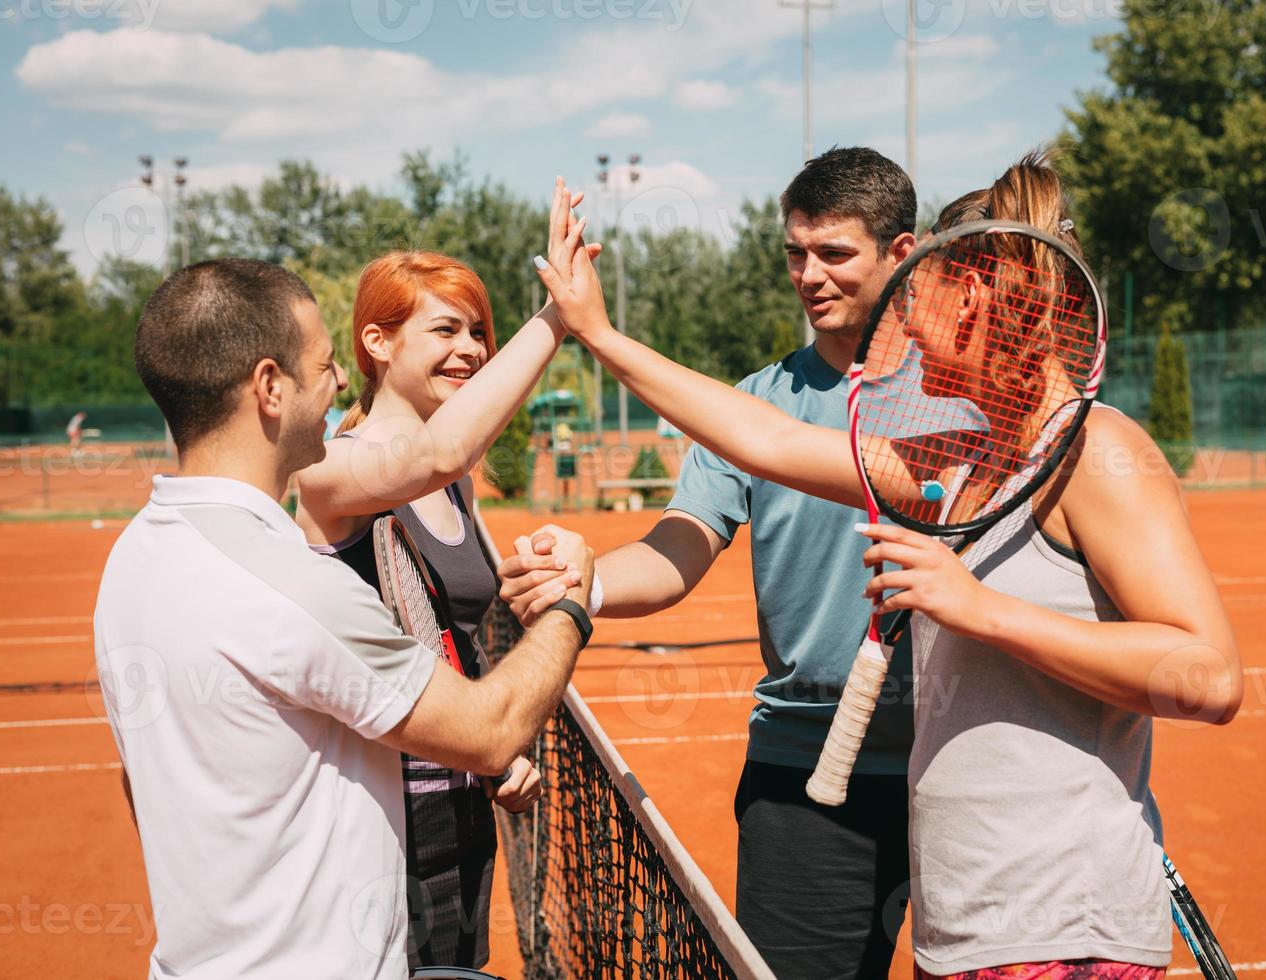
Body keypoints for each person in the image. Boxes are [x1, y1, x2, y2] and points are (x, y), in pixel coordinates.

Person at [530, 150, 1243, 978]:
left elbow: (1210, 676)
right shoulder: (968, 456)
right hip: (968, 930)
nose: (900, 311)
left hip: (1060, 930)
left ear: (971, 295)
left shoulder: (1100, 452)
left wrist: (975, 606)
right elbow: (765, 438)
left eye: (919, 289)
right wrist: (599, 336)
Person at [95, 257, 595, 980]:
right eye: (326, 365)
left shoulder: (132, 560)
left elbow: (139, 782)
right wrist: (576, 601)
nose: (338, 382)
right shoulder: (296, 588)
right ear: (270, 387)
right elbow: (490, 731)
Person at [505, 146, 919, 978]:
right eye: (794, 254)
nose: (809, 275)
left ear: (900, 254)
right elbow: (676, 552)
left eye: (834, 253)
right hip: (805, 772)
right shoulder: (754, 401)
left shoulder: (973, 395)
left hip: (959, 763)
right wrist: (584, 578)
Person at [293, 182, 596, 971]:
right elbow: (437, 451)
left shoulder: (457, 485)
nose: (470, 348)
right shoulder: (331, 468)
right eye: (445, 329)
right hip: (374, 814)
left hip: (457, 804)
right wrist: (559, 317)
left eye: (479, 332)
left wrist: (497, 748)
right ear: (379, 342)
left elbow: (459, 635)